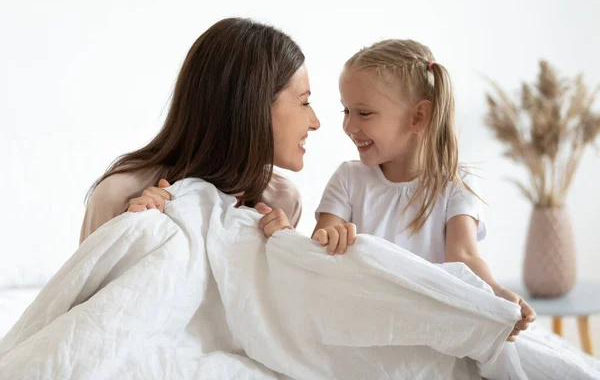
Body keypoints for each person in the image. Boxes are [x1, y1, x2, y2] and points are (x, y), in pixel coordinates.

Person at [312, 39, 535, 341]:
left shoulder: (456, 183)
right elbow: (324, 240)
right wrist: (328, 236)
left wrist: (496, 294)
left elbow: (464, 257)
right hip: (365, 327)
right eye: (346, 111)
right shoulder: (349, 179)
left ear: (418, 117)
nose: (349, 126)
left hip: (429, 330)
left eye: (363, 113)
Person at [81, 17, 320, 244]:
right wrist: (131, 236)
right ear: (252, 105)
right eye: (305, 102)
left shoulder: (282, 202)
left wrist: (281, 257)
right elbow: (80, 286)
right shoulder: (119, 195)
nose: (315, 122)